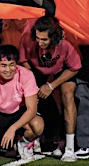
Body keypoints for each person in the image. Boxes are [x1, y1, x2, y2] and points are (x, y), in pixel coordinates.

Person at [20, 16, 81, 162]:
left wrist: (51, 85)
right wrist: (34, 83)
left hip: (62, 71)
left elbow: (74, 68)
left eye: (44, 40)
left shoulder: (66, 43)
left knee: (67, 93)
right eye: (37, 38)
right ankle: (35, 139)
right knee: (31, 95)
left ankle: (70, 148)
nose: (39, 43)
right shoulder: (28, 38)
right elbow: (23, 61)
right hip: (36, 70)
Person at [0, 45, 45, 162]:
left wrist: (13, 128)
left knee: (37, 125)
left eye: (12, 65)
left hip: (17, 115)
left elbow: (32, 109)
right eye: (3, 65)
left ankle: (22, 144)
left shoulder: (26, 75)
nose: (8, 70)